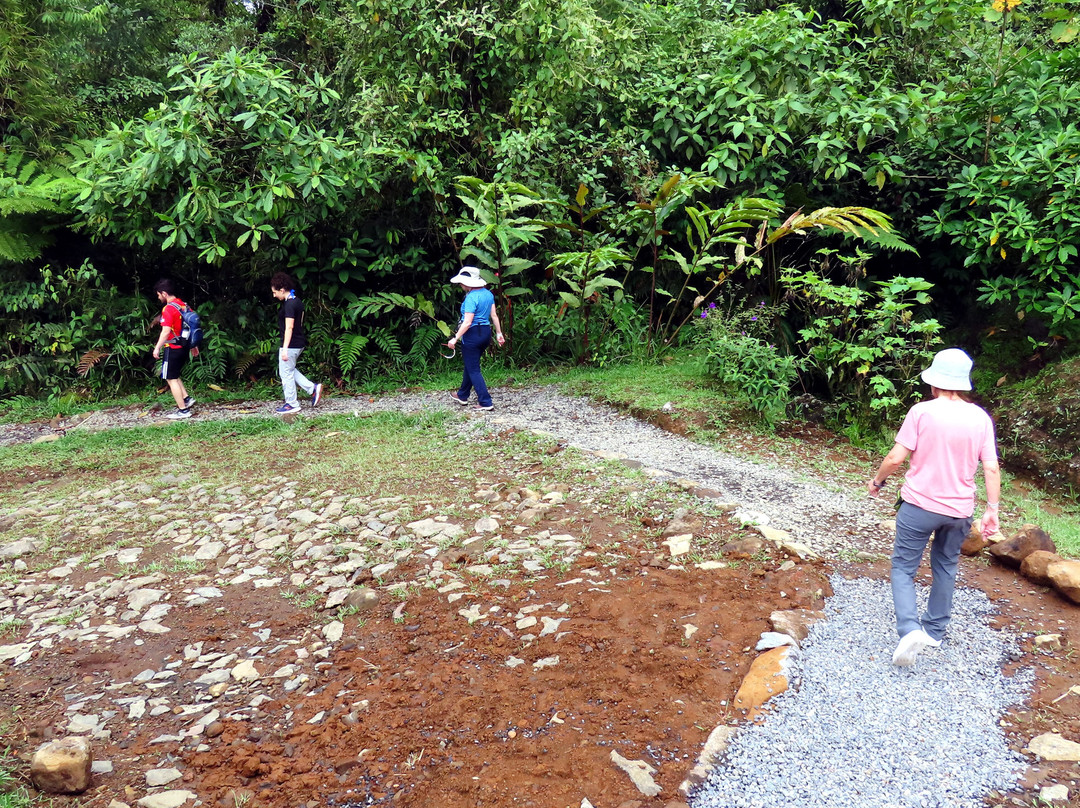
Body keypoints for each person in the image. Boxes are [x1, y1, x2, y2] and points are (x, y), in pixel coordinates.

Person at [868, 348, 1001, 668]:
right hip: (959, 511)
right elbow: (992, 467)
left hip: (919, 506)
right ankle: (935, 630)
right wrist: (992, 509)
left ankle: (909, 629)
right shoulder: (981, 418)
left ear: (934, 382)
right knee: (945, 566)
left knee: (903, 568)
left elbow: (895, 458)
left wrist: (877, 481)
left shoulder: (921, 412)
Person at [446, 266, 505, 411]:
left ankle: (486, 402)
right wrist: (499, 333)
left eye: (461, 283)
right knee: (470, 364)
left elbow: (467, 322)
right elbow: (494, 316)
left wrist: (455, 338)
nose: (460, 285)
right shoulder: (488, 294)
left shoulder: (471, 297)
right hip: (485, 333)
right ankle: (462, 395)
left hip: (472, 334)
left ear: (467, 283)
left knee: (474, 369)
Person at [271, 272, 322, 415]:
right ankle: (312, 388)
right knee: (289, 370)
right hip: (299, 342)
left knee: (285, 373)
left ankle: (292, 404)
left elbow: (290, 327)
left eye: (275, 292)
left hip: (291, 344)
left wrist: (285, 348)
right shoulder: (297, 301)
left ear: (282, 290)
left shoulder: (289, 305)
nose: (274, 295)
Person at [152, 279, 197, 420]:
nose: (158, 297)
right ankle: (186, 398)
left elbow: (165, 332)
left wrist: (157, 348)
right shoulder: (182, 305)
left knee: (170, 378)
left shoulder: (168, 309)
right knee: (175, 375)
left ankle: (183, 410)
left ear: (164, 293)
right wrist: (194, 345)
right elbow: (191, 325)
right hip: (183, 347)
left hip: (172, 347)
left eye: (159, 295)